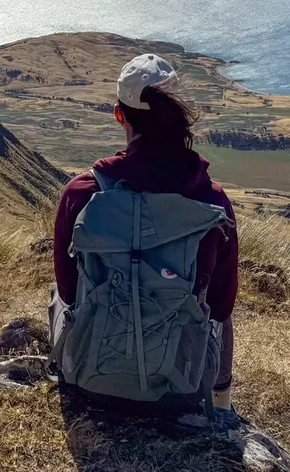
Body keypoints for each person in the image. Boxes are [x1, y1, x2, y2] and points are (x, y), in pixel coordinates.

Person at [49, 53, 239, 413]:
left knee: (56, 296)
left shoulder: (82, 193)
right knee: (220, 313)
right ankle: (221, 405)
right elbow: (222, 304)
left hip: (89, 379)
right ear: (175, 117)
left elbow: (69, 291)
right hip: (180, 390)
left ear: (120, 115)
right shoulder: (212, 203)